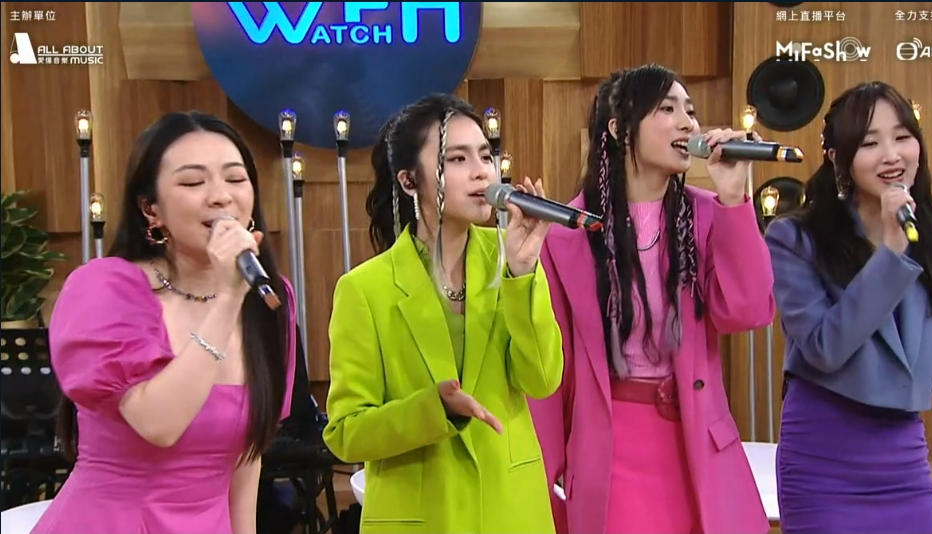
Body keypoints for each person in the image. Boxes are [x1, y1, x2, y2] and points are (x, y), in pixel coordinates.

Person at [528, 63, 776, 534]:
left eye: (691, 111)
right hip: (613, 450)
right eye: (667, 109)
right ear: (619, 129)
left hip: (698, 447)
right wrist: (542, 480)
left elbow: (747, 311)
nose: (688, 123)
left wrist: (733, 199)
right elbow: (550, 373)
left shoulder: (707, 216)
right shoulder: (567, 233)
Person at [766, 81, 932, 534]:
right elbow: (824, 348)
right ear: (838, 158)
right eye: (870, 143)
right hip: (824, 457)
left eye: (902, 137)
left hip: (904, 463)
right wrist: (891, 256)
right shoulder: (796, 239)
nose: (892, 155)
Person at [32, 111, 297, 534]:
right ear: (150, 208)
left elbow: (247, 458)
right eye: (193, 183)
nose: (220, 197)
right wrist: (228, 298)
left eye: (235, 178)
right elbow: (158, 423)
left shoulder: (269, 295)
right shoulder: (105, 288)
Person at [322, 93, 564, 534]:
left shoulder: (510, 258)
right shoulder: (364, 290)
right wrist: (434, 409)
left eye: (486, 156)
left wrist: (522, 273)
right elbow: (346, 433)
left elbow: (542, 379)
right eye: (457, 158)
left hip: (510, 511)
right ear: (409, 181)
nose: (481, 171)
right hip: (419, 518)